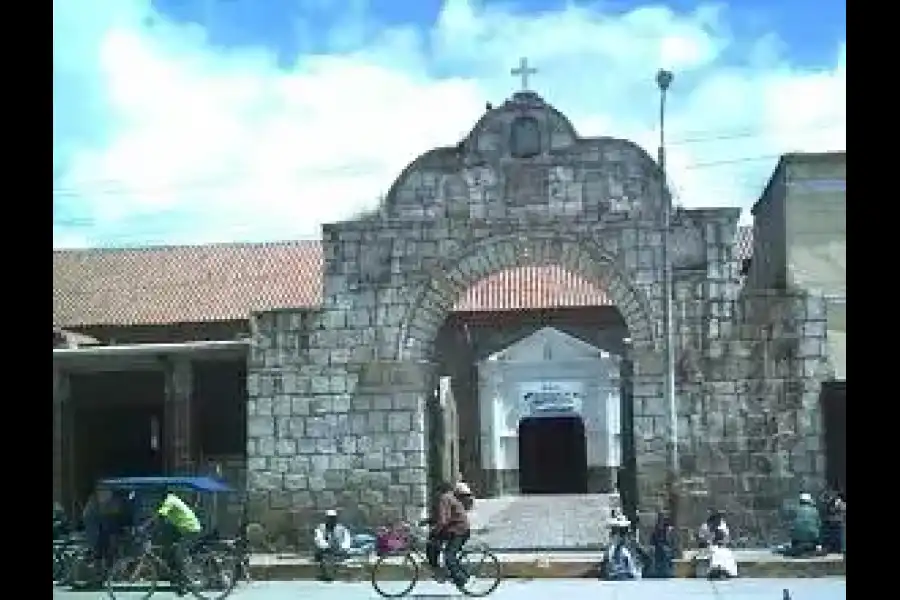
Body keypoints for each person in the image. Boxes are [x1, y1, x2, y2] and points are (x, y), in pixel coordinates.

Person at [154, 490, 203, 597]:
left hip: (191, 530)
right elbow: (162, 520)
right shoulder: (173, 500)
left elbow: (160, 515)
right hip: (185, 530)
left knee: (180, 554)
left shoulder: (170, 500)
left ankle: (189, 579)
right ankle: (181, 584)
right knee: (172, 552)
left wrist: (145, 526)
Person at [430, 481, 472, 588]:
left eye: (436, 492)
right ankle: (439, 570)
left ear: (439, 491)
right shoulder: (450, 497)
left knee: (449, 556)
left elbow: (444, 520)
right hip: (458, 529)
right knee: (433, 542)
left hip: (459, 531)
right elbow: (443, 517)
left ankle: (461, 578)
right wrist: (427, 522)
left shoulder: (444, 498)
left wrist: (436, 529)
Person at [313, 509, 352, 582]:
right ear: (326, 518)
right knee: (325, 560)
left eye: (333, 518)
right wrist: (326, 547)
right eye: (330, 518)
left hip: (339, 551)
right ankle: (327, 575)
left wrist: (343, 548)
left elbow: (347, 539)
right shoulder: (320, 528)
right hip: (325, 552)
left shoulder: (342, 528)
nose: (331, 519)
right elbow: (319, 539)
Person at [604, 513, 640, 580]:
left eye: (623, 531)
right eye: (614, 531)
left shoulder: (629, 550)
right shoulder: (611, 550)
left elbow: (634, 573)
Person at [787, 492, 821, 557]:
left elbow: (791, 524)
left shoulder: (795, 510)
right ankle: (818, 548)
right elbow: (819, 525)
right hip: (812, 539)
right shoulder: (815, 511)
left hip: (797, 540)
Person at [647, 511, 677, 578]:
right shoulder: (655, 531)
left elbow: (671, 543)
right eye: (660, 519)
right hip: (659, 553)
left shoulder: (667, 530)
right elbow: (652, 543)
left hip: (666, 554)